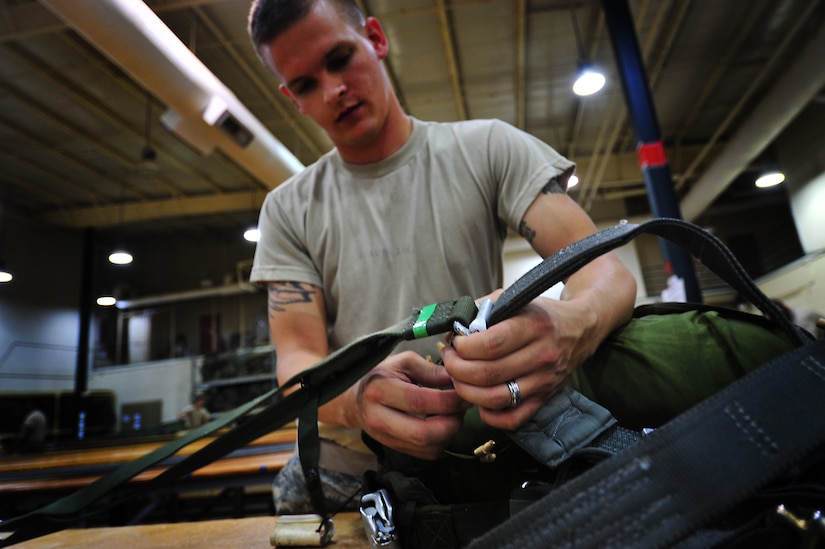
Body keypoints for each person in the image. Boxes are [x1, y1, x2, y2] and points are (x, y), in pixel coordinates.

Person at [247, 0, 637, 515]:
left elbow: (603, 269)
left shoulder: (489, 149)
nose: (332, 89)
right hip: (346, 473)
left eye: (340, 58)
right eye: (305, 85)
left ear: (377, 39)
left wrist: (571, 325)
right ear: (291, 99)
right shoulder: (287, 208)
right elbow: (297, 362)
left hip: (479, 459)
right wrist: (357, 399)